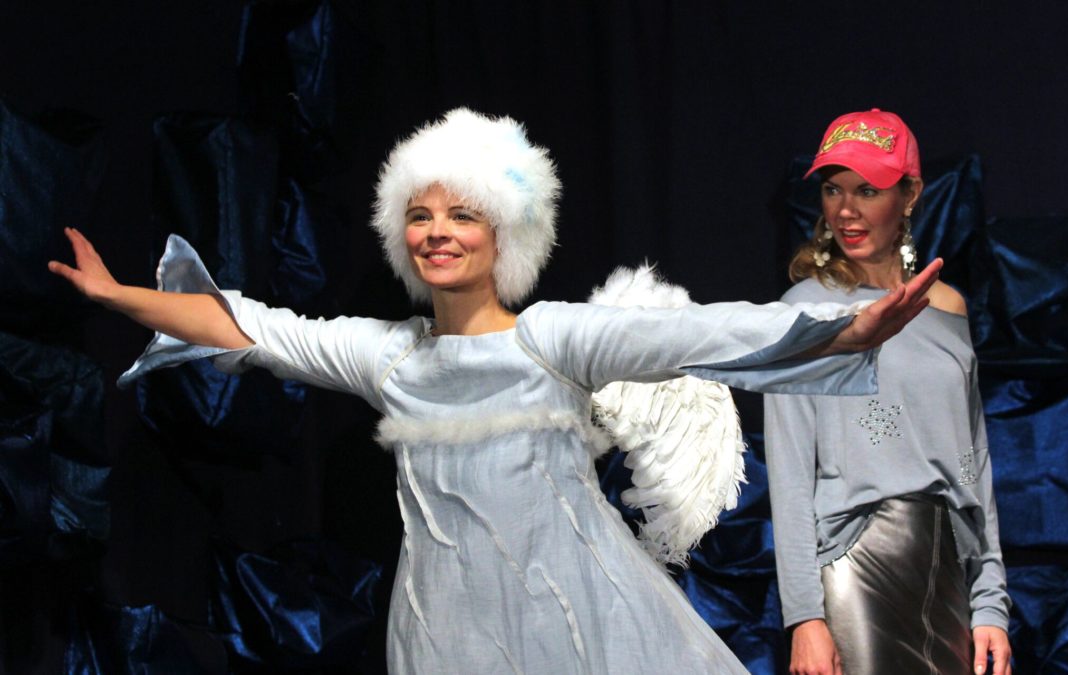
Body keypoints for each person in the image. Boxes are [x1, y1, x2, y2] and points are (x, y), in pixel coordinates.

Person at [50, 108, 941, 674]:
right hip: (451, 635)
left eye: (462, 213)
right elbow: (246, 327)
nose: (439, 232)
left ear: (500, 233)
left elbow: (698, 332)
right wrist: (115, 294)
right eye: (422, 215)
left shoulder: (550, 337)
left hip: (582, 615)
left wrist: (848, 329)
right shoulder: (387, 357)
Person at [764, 109, 1012, 675]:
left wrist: (990, 602)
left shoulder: (948, 309)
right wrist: (804, 617)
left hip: (949, 570)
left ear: (910, 194)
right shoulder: (803, 313)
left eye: (868, 190)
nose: (845, 210)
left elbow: (975, 465)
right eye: (833, 189)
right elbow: (790, 475)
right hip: (856, 568)